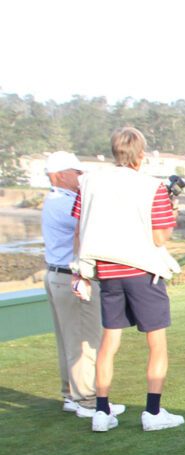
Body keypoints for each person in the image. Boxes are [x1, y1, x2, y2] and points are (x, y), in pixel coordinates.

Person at [72, 127, 182, 433]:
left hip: (107, 271)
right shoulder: (151, 187)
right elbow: (160, 238)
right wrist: (172, 213)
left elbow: (79, 230)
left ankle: (102, 410)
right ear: (141, 154)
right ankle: (153, 411)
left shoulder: (90, 183)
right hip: (142, 270)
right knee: (156, 342)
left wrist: (79, 271)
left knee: (109, 341)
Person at [41, 151, 106, 419]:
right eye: (75, 173)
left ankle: (71, 394)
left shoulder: (56, 200)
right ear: (60, 175)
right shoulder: (62, 202)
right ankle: (87, 401)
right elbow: (90, 226)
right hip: (72, 278)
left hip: (59, 275)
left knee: (68, 340)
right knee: (84, 341)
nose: (80, 177)